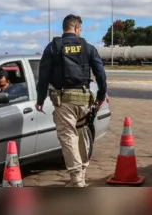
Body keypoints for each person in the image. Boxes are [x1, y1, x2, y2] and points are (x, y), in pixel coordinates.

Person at [35, 14, 107, 187]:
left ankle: (77, 181)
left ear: (65, 28)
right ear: (75, 28)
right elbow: (101, 75)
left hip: (64, 101)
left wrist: (40, 99)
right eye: (80, 29)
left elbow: (43, 77)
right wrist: (101, 97)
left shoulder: (53, 47)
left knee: (68, 137)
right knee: (81, 134)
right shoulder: (88, 48)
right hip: (84, 100)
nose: (80, 32)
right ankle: (81, 173)